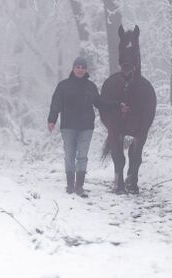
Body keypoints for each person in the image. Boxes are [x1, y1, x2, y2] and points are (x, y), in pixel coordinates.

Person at [47, 56, 128, 196]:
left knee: (82, 156)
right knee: (69, 155)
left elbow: (100, 103)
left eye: (83, 67)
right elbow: (56, 104)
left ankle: (79, 186)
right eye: (78, 67)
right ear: (73, 69)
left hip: (86, 128)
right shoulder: (63, 86)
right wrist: (51, 120)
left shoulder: (90, 87)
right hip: (68, 127)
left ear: (86, 70)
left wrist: (117, 106)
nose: (80, 70)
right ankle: (70, 185)